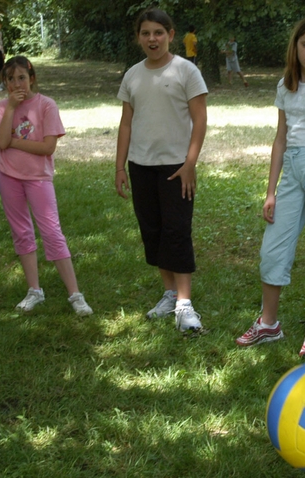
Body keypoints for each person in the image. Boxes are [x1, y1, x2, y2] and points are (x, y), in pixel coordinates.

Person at [235, 14, 305, 357]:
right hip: (293, 169)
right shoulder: (285, 85)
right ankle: (269, 323)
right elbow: (280, 140)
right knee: (273, 247)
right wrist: (270, 192)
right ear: (295, 45)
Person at [115, 8, 208, 333]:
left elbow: (200, 120)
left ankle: (185, 305)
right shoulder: (132, 75)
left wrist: (190, 163)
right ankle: (169, 293)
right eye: (145, 33)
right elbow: (126, 123)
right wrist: (120, 166)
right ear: (138, 37)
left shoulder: (186, 71)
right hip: (141, 166)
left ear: (171, 34)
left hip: (176, 167)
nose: (152, 39)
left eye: (158, 32)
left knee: (177, 230)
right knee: (152, 230)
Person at [0, 56, 93, 316]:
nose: (16, 84)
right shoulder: (2, 108)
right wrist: (11, 109)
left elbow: (47, 147)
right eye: (10, 79)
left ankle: (75, 294)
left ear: (32, 78)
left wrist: (12, 141)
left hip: (38, 178)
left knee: (51, 231)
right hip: (8, 176)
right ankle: (34, 290)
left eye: (21, 77)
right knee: (21, 232)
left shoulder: (46, 105)